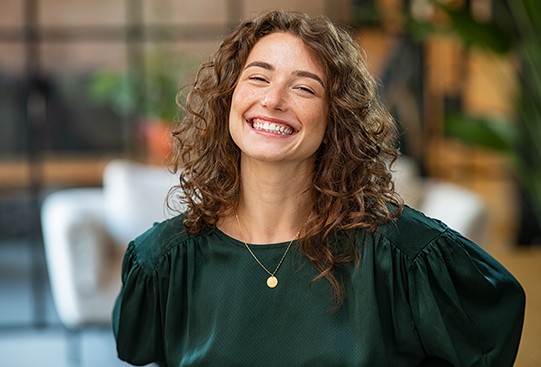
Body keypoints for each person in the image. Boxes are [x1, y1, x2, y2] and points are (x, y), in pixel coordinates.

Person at [113, 10, 525, 366]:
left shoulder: (400, 254)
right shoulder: (164, 262)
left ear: (335, 120)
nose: (274, 100)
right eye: (258, 78)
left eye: (304, 87)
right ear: (228, 98)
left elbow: (494, 327)